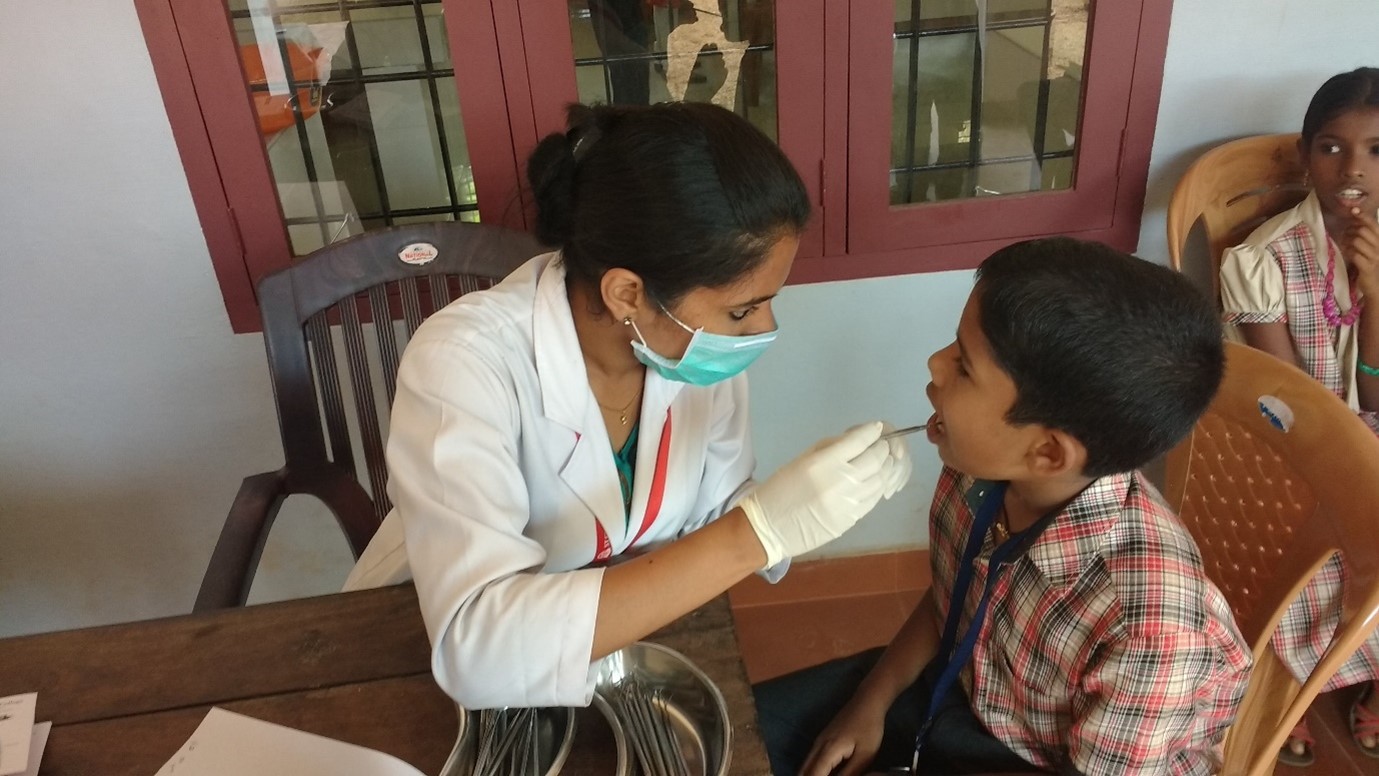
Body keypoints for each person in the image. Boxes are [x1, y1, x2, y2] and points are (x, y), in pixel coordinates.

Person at [341, 101, 912, 710]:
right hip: (417, 664)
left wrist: (819, 497)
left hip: (615, 644)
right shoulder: (465, 363)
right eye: (743, 309)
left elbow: (714, 511)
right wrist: (758, 533)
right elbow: (478, 648)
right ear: (628, 292)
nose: (763, 328)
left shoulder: (688, 352)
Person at [754, 237, 1251, 775]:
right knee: (740, 731)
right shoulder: (982, 469)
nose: (935, 363)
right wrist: (870, 702)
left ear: (1047, 451)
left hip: (1040, 761)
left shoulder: (1149, 631)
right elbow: (958, 595)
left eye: (964, 367)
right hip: (961, 685)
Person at [1218, 66, 1379, 766]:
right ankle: (1299, 682)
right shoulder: (1263, 259)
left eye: (1377, 150)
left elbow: (1374, 398)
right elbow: (1289, 409)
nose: (1352, 170)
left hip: (1372, 424)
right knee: (1338, 521)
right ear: (1305, 154)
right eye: (1330, 147)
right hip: (1299, 444)